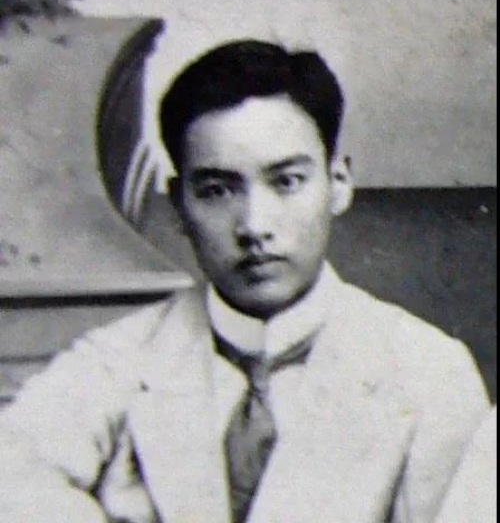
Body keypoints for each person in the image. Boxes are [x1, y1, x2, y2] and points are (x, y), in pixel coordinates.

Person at [0, 40, 492, 523]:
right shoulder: (117, 359)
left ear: (337, 184)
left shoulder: (428, 373)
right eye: (217, 190)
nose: (254, 225)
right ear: (179, 203)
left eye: (286, 182)